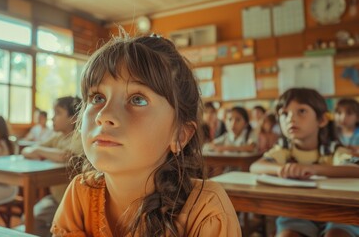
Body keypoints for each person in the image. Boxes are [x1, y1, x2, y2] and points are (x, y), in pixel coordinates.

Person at [51, 34, 241, 236]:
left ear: (180, 135)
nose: (103, 115)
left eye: (137, 100)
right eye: (98, 97)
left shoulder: (205, 211)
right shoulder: (80, 194)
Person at [250, 88, 359, 237]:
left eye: (301, 111)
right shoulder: (284, 148)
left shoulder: (333, 148)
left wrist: (313, 169)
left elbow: (356, 167)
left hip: (339, 212)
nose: (290, 119)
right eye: (284, 114)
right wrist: (282, 169)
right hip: (296, 212)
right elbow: (255, 166)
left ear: (322, 120)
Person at [20, 96, 82, 237]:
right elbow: (27, 150)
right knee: (29, 219)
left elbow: (66, 156)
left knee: (61, 228)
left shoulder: (80, 137)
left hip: (75, 201)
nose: (52, 118)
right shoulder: (57, 137)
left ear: (74, 117)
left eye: (58, 113)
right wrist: (38, 151)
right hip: (55, 198)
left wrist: (40, 151)